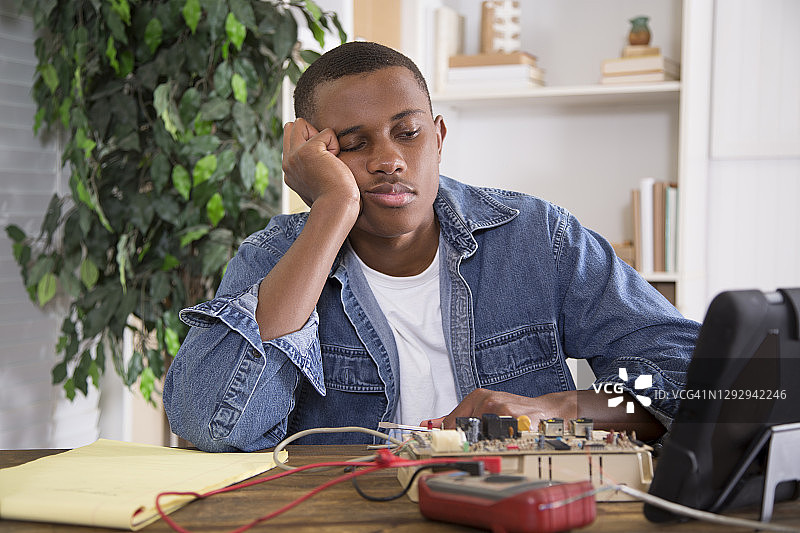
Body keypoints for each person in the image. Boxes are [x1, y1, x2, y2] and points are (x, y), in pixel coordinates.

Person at [163, 41, 700, 452]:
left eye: (408, 133)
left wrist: (554, 409)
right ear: (312, 155)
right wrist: (330, 211)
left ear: (439, 137)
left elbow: (703, 380)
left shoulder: (537, 237)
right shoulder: (275, 256)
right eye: (352, 145)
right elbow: (210, 424)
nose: (388, 160)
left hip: (517, 511)